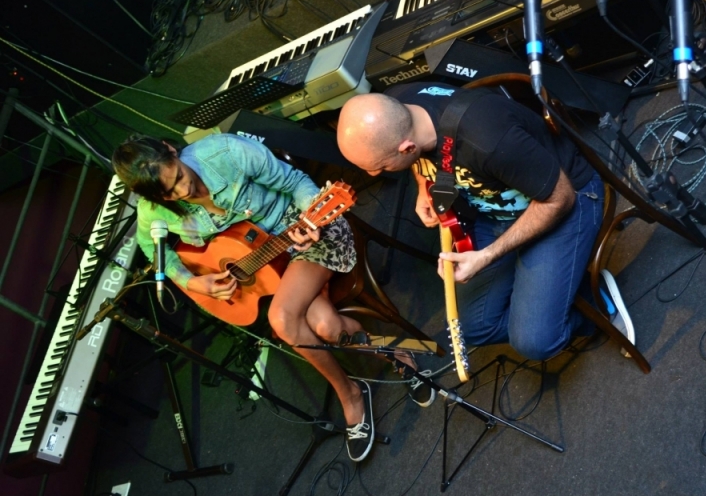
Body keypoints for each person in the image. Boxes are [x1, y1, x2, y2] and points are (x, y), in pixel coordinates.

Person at [111, 132, 434, 462]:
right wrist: (196, 284)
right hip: (268, 266)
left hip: (306, 233)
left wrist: (312, 218)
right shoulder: (153, 212)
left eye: (178, 176)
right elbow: (154, 251)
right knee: (325, 326)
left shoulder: (226, 152)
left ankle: (349, 393)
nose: (184, 191)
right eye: (170, 192)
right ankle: (399, 355)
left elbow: (295, 181)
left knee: (281, 320)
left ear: (170, 150)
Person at [336, 82, 636, 363]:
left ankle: (597, 302)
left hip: (560, 200)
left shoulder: (487, 138)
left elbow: (560, 199)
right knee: (471, 329)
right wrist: (425, 186)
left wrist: (487, 256)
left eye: (382, 167)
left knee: (536, 343)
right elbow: (423, 159)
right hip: (493, 211)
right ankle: (555, 291)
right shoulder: (397, 102)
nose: (375, 176)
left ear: (407, 148)